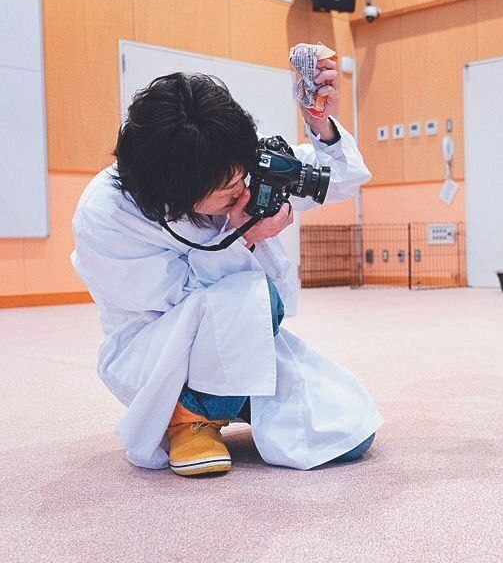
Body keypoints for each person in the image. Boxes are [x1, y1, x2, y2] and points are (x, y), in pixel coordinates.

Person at [71, 60, 381, 477]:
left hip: (239, 336)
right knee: (256, 301)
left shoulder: (226, 163)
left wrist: (320, 125)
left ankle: (218, 405)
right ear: (173, 193)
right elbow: (183, 301)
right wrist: (245, 235)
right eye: (227, 190)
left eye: (243, 178)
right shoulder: (105, 215)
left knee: (348, 434)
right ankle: (187, 416)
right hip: (158, 353)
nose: (243, 192)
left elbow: (335, 179)